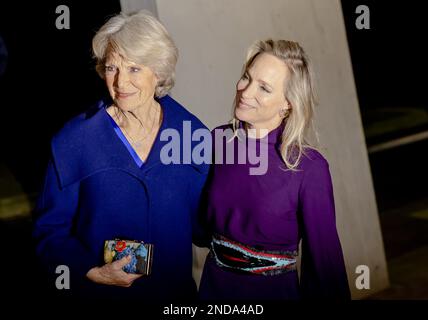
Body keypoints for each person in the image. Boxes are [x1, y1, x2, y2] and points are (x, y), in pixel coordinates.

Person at [33, 10, 209, 301]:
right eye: (112, 68)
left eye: (134, 69)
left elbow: (206, 228)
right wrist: (90, 270)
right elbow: (48, 233)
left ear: (159, 72)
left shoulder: (192, 136)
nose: (121, 83)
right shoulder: (74, 141)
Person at [198, 39, 351, 300]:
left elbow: (325, 264)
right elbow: (198, 227)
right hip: (214, 289)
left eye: (264, 88)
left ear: (288, 104)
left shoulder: (309, 168)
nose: (245, 92)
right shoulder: (219, 141)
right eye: (246, 77)